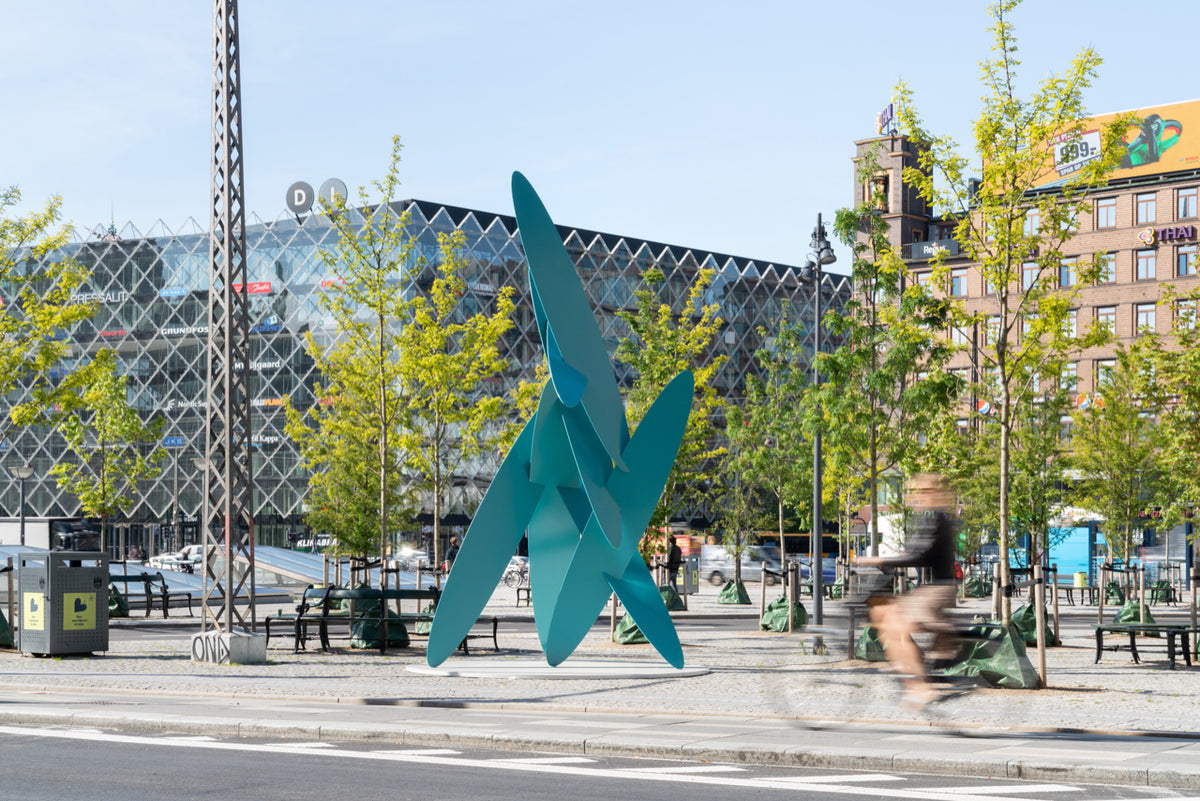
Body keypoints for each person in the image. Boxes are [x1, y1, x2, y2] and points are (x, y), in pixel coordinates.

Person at [855, 472, 960, 710]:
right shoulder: (932, 518)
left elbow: (923, 556)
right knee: (883, 616)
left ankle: (920, 687)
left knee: (892, 623)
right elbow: (922, 553)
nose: (919, 496)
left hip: (938, 589)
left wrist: (880, 560)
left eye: (923, 492)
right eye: (917, 492)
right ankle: (917, 677)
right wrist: (896, 557)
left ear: (934, 493)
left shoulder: (937, 518)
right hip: (934, 588)